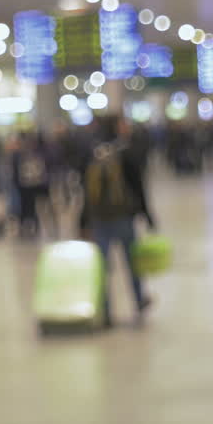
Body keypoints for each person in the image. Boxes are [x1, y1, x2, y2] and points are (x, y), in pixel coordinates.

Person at [80, 114, 156, 327]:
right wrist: (147, 214)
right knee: (132, 263)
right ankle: (139, 301)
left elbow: (86, 191)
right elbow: (138, 186)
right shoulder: (126, 152)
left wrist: (83, 221)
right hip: (123, 218)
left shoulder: (93, 153)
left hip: (99, 220)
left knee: (103, 267)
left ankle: (105, 311)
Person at [12, 132, 51, 238]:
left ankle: (34, 225)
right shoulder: (18, 155)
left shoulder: (37, 154)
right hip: (23, 186)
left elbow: (42, 168)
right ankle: (23, 226)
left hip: (34, 184)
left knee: (33, 206)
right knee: (24, 206)